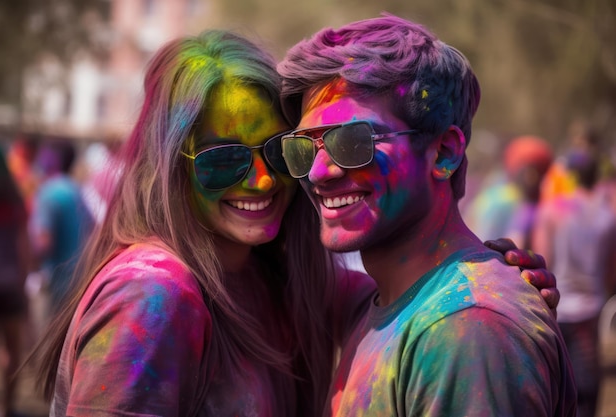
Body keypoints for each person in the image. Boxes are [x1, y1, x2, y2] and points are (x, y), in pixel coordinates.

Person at [28, 29, 559, 417]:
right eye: (222, 160)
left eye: (281, 152)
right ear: (169, 172)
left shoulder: (276, 281)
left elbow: (407, 300)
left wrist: (488, 272)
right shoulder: (154, 295)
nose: (264, 182)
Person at [277, 14, 576, 416]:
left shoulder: (463, 331)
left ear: (445, 153)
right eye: (303, 148)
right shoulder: (392, 300)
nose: (317, 172)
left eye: (352, 141)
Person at [533, 149, 616, 417]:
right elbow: (611, 271)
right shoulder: (608, 216)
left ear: (570, 175)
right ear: (596, 175)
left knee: (554, 392)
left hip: (556, 308)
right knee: (586, 393)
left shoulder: (553, 210)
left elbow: (541, 260)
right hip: (590, 310)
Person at [29, 139, 96, 315]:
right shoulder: (77, 190)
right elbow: (94, 228)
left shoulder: (47, 192)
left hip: (57, 284)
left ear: (52, 159)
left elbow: (43, 243)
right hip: (79, 281)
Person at [0, 142, 30, 417]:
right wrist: (23, 281)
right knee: (12, 349)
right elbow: (24, 246)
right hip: (9, 285)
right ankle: (6, 406)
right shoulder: (16, 203)